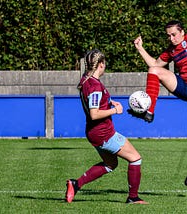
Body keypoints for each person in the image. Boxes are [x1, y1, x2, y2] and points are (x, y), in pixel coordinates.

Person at [129, 0, 187, 185]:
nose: (171, 38)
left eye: (174, 34)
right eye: (168, 36)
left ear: (182, 32)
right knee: (154, 71)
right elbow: (154, 65)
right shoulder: (171, 50)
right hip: (182, 84)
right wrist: (140, 48)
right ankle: (150, 111)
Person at [65, 49, 148, 204]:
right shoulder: (95, 86)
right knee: (135, 159)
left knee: (111, 164)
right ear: (101, 64)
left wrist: (110, 102)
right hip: (104, 133)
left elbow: (95, 101)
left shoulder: (86, 80)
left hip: (94, 133)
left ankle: (75, 184)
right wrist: (115, 110)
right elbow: (94, 113)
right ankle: (133, 197)